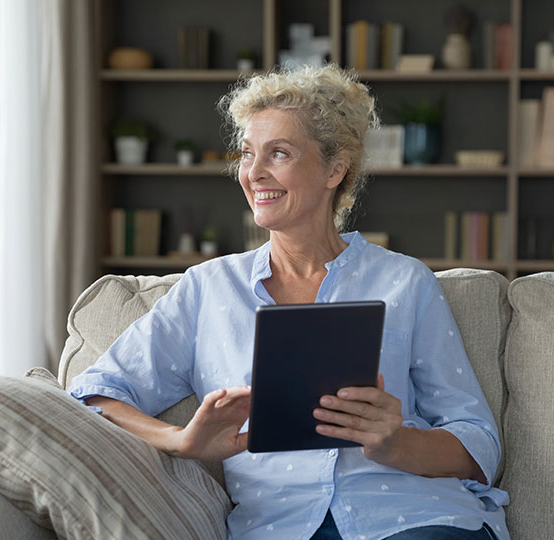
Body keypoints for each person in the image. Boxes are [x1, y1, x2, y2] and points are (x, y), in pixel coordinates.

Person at [68, 64, 509, 540]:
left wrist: (396, 443)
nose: (254, 173)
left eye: (278, 154)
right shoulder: (208, 289)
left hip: (414, 518)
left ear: (334, 169)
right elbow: (95, 394)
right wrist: (180, 441)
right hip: (279, 527)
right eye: (247, 154)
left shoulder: (404, 281)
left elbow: (478, 442)